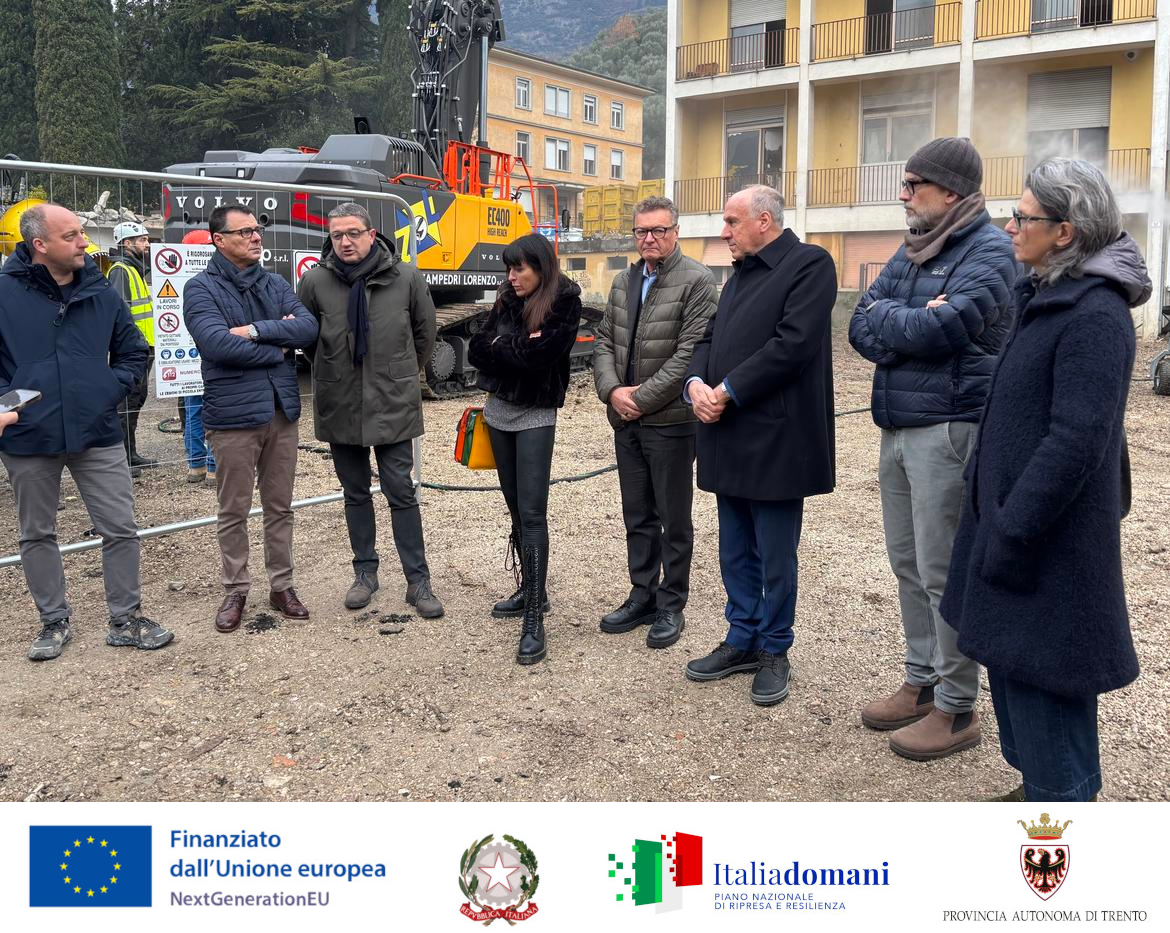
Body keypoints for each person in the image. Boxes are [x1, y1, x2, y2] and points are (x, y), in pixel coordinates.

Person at [940, 159, 1146, 801]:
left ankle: (1060, 805)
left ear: (1065, 231)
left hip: (1045, 542)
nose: (1009, 226)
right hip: (1013, 528)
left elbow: (1077, 440)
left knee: (1047, 683)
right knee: (1015, 671)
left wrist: (1013, 527)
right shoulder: (1046, 295)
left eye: (1023, 217)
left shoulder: (1095, 314)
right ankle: (1039, 788)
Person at [847, 137, 1018, 761]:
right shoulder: (915, 247)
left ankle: (956, 705)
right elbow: (859, 323)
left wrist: (900, 318)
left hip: (949, 428)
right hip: (897, 426)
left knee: (943, 568)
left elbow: (948, 328)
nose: (903, 195)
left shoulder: (991, 250)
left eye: (913, 184)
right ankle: (920, 681)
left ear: (950, 191)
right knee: (907, 562)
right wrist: (908, 318)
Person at [683, 185, 836, 706]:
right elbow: (708, 340)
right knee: (734, 549)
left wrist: (727, 390)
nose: (724, 231)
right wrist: (696, 385)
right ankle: (742, 637)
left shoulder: (809, 265)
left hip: (775, 439)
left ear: (764, 220)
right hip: (727, 435)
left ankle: (774, 647)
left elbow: (792, 345)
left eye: (732, 221)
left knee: (774, 554)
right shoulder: (739, 276)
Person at [0, 202, 173, 660]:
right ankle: (52, 621)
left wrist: (106, 390)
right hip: (28, 437)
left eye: (82, 233)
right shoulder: (3, 294)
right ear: (40, 245)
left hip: (96, 431)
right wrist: (5, 404)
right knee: (37, 533)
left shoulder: (99, 290)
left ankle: (126, 619)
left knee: (120, 527)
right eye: (72, 236)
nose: (85, 243)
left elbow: (133, 350)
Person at [297, 202, 444, 617]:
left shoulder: (405, 278)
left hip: (392, 402)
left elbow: (424, 335)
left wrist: (399, 373)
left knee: (401, 490)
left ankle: (418, 581)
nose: (345, 242)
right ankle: (365, 573)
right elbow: (308, 339)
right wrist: (334, 370)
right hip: (340, 402)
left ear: (371, 233)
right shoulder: (316, 281)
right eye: (337, 235)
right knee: (355, 492)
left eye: (353, 233)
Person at [184, 206, 319, 634]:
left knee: (280, 506)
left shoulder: (275, 283)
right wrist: (279, 345)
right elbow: (217, 345)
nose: (256, 237)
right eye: (244, 232)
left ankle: (282, 586)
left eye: (257, 230)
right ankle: (236, 590)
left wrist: (255, 331)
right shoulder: (200, 288)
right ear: (219, 240)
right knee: (234, 509)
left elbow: (308, 329)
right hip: (233, 417)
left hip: (281, 412)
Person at [593, 195, 717, 649]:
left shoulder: (698, 281)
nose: (649, 238)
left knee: (673, 518)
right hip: (627, 421)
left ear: (675, 232)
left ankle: (671, 604)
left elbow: (690, 355)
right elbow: (604, 341)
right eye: (642, 231)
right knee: (637, 514)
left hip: (671, 423)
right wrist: (612, 392)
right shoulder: (624, 281)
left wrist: (640, 400)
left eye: (658, 230)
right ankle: (642, 594)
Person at [467, 233, 582, 664]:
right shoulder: (507, 296)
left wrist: (504, 347)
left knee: (533, 514)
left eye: (519, 269)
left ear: (541, 267)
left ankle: (534, 617)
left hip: (535, 414)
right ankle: (533, 589)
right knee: (515, 507)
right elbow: (477, 349)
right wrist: (513, 345)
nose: (511, 276)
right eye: (509, 269)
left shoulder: (565, 300)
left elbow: (542, 357)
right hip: (498, 413)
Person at [107, 220, 159, 474]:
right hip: (131, 351)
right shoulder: (120, 270)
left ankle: (131, 454)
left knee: (136, 399)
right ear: (127, 243)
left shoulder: (134, 269)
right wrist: (133, 345)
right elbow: (119, 313)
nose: (147, 245)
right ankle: (122, 460)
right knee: (125, 403)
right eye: (142, 240)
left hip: (142, 348)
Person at [180, 229, 216, 485]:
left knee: (193, 410)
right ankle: (214, 467)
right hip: (209, 354)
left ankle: (196, 465)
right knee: (215, 408)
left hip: (185, 356)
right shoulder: (213, 280)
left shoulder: (175, 276)